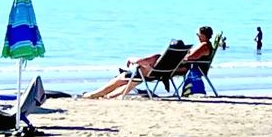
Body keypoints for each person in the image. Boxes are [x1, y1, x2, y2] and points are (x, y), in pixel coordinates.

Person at [84, 27, 214, 99]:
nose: (197, 36)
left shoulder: (203, 46)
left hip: (151, 74)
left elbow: (190, 57)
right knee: (135, 78)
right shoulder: (175, 60)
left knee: (124, 77)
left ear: (203, 35)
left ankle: (97, 94)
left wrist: (131, 59)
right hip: (163, 74)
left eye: (198, 34)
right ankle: (111, 95)